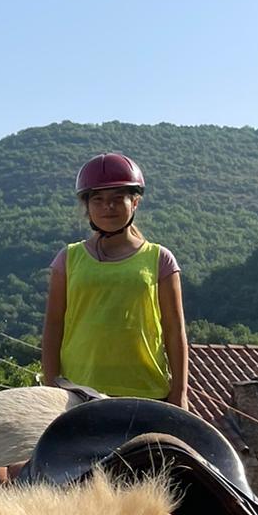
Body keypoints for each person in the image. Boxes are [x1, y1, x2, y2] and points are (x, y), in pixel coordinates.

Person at [41, 153, 188, 408]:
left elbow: (175, 331)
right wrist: (50, 387)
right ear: (87, 206)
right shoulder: (68, 258)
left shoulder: (160, 258)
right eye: (98, 199)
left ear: (135, 202)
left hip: (147, 392)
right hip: (77, 392)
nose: (108, 207)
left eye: (118, 198)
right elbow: (53, 326)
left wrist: (179, 393)